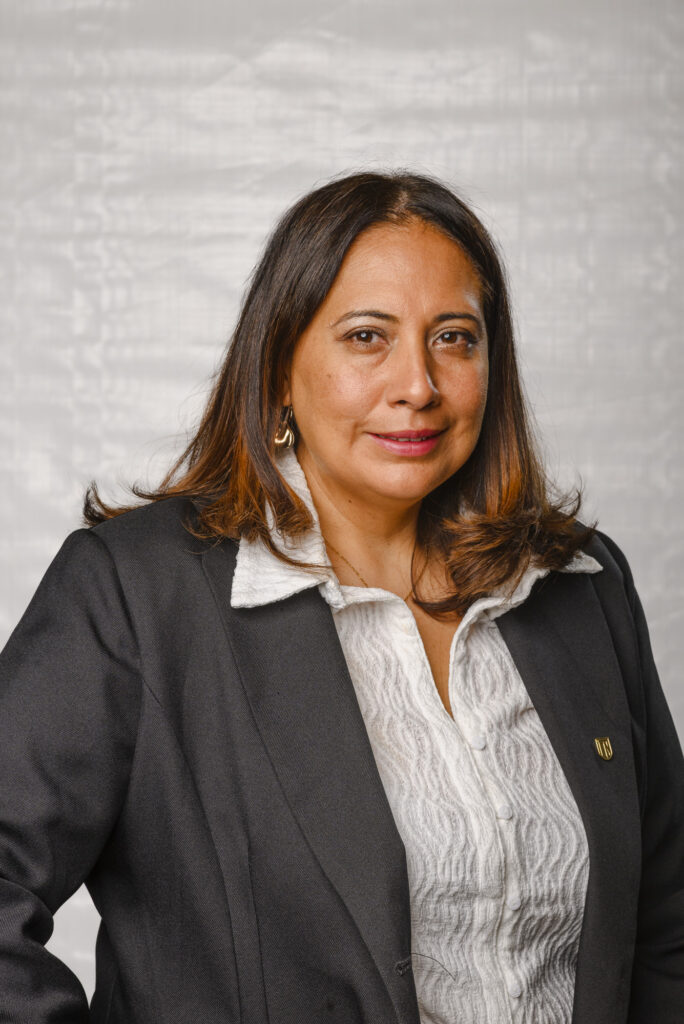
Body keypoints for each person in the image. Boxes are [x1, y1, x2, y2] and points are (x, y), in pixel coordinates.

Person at [0, 170, 682, 1024]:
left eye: (455, 338)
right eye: (367, 337)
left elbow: (665, 932)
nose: (418, 385)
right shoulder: (137, 593)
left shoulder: (582, 585)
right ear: (280, 369)